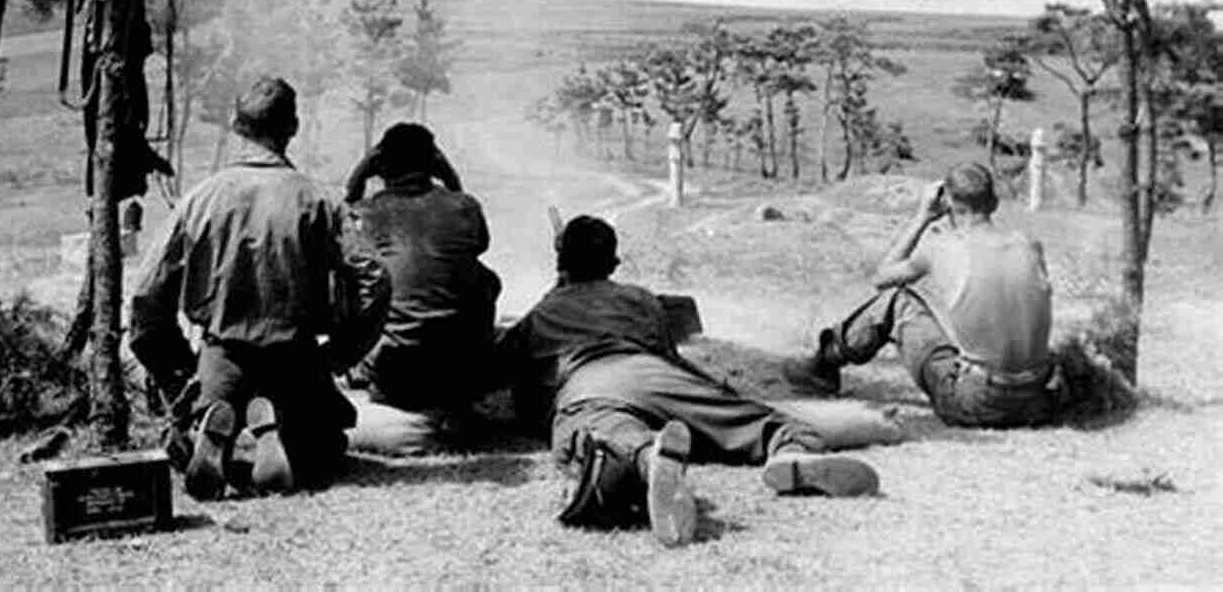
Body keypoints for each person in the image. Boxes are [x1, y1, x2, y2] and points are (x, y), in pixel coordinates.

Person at [497, 215, 881, 549]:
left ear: (563, 260)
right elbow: (670, 357)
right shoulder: (640, 300)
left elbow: (503, 369)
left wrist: (557, 287)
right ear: (613, 262)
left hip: (589, 384)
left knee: (609, 433)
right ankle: (790, 452)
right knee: (762, 423)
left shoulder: (544, 312)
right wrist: (716, 391)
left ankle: (650, 459)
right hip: (656, 374)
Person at [130, 77, 388, 499]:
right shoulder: (317, 199)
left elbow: (146, 298)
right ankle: (284, 439)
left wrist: (180, 372)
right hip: (296, 359)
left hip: (222, 358)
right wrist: (340, 352)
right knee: (323, 453)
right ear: (293, 128)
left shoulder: (201, 198)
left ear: (236, 125)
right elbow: (373, 278)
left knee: (189, 434)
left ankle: (208, 430)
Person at [781, 163, 1060, 428]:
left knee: (897, 301)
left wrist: (923, 216)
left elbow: (882, 278)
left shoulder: (941, 246)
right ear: (995, 203)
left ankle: (821, 368)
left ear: (948, 203)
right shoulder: (1029, 245)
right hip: (1038, 400)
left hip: (976, 402)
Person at [345, 122, 499, 415]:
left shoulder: (364, 213)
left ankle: (360, 368)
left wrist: (360, 174)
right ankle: (470, 374)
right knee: (485, 278)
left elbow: (341, 230)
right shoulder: (465, 207)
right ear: (434, 164)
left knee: (352, 279)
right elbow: (476, 242)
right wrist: (451, 178)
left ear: (381, 166)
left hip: (393, 371)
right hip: (459, 368)